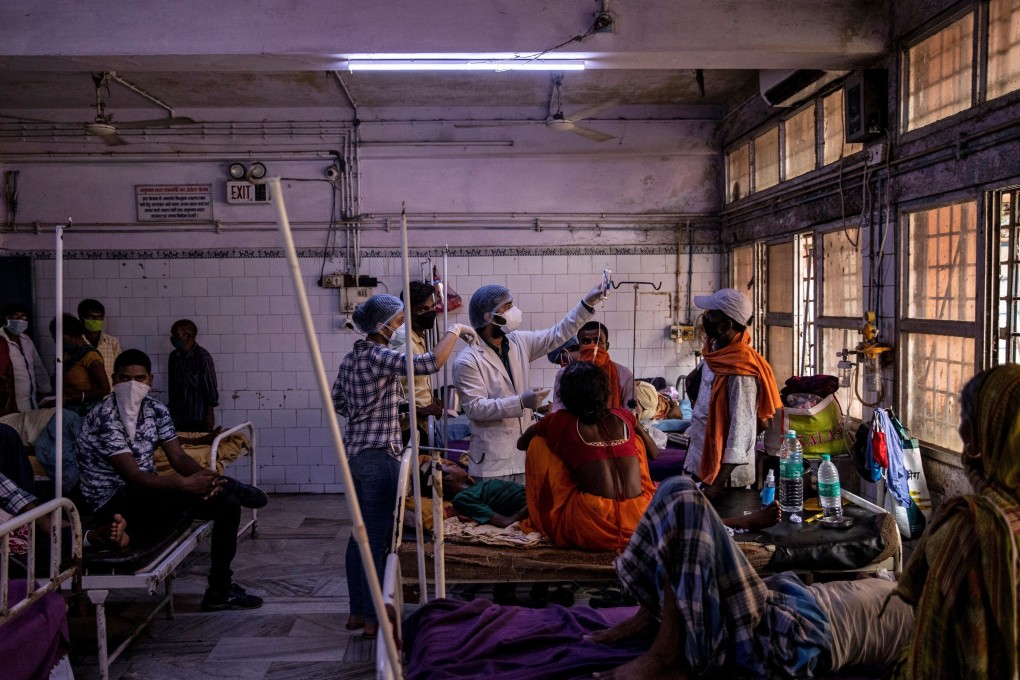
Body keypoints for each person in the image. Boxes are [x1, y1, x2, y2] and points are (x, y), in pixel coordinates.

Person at [588, 475, 915, 679]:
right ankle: (649, 616)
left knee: (686, 497)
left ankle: (665, 656)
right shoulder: (901, 583)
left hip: (781, 639)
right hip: (775, 606)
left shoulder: (932, 619)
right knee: (675, 488)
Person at [75, 349, 268, 611]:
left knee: (228, 505)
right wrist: (184, 485)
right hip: (112, 501)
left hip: (146, 494)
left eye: (140, 378)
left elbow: (177, 458)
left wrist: (202, 477)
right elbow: (133, 477)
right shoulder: (104, 417)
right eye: (125, 378)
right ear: (113, 379)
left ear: (150, 380)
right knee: (221, 497)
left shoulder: (156, 409)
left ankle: (219, 589)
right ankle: (228, 485)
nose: (133, 385)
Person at [332, 294, 477, 639]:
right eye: (397, 322)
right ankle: (373, 618)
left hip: (355, 454)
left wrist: (383, 407)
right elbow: (430, 363)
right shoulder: (380, 355)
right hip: (382, 456)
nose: (400, 327)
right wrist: (455, 329)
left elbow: (340, 401)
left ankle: (357, 612)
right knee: (380, 539)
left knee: (359, 536)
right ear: (380, 326)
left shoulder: (352, 358)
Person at [885, 364, 1020, 678]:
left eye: (967, 420)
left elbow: (930, 657)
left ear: (987, 434)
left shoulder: (972, 532)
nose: (959, 432)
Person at [453, 278, 607, 483]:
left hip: (524, 456)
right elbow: (474, 408)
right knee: (500, 513)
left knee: (525, 513)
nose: (513, 310)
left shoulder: (519, 341)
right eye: (507, 306)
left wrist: (587, 303)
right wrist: (520, 402)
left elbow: (557, 334)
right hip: (492, 463)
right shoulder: (468, 360)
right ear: (489, 316)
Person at [517, 361, 657, 551]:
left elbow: (521, 443)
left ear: (565, 396)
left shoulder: (560, 421)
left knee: (538, 443)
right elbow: (654, 453)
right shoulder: (624, 416)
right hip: (639, 519)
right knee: (637, 441)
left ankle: (550, 508)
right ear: (606, 392)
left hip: (592, 526)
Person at [681, 288, 781, 495]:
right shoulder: (716, 354)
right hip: (699, 463)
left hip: (725, 478)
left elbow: (741, 433)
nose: (705, 318)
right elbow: (696, 386)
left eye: (711, 315)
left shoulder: (740, 371)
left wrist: (716, 485)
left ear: (726, 325)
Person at [390, 280, 445, 446]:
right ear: (406, 311)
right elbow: (390, 389)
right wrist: (419, 410)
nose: (430, 313)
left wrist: (429, 399)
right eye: (423, 309)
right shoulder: (402, 338)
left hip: (420, 425)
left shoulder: (417, 334)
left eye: (432, 307)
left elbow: (413, 380)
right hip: (406, 428)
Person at [550, 322, 634, 413]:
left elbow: (630, 414)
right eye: (586, 342)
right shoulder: (564, 374)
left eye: (598, 341)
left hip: (610, 426)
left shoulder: (623, 374)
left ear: (607, 346)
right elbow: (559, 412)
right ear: (580, 347)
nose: (593, 346)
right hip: (576, 427)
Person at [433, 459, 528, 528]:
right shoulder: (461, 498)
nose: (457, 465)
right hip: (533, 503)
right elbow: (505, 522)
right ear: (447, 477)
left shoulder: (476, 486)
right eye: (451, 466)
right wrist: (532, 504)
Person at [49, 314, 111, 415]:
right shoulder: (63, 355)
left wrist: (71, 397)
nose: (57, 342)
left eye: (62, 339)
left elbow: (105, 389)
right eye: (54, 338)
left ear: (74, 335)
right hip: (65, 410)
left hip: (86, 412)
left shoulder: (91, 356)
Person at [168, 319, 219, 432]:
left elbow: (210, 387)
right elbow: (172, 386)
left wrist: (210, 414)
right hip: (177, 417)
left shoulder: (202, 357)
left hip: (198, 416)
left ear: (187, 336)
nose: (173, 338)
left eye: (176, 335)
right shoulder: (174, 357)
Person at [1, 302, 51, 412]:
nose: (20, 320)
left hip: (30, 401)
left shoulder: (26, 340)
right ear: (6, 318)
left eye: (23, 317)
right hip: (9, 402)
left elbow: (38, 367)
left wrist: (45, 389)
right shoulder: (1, 341)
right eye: (16, 316)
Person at [78, 298, 122, 385]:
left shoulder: (112, 342)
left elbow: (119, 370)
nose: (96, 320)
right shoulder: (75, 343)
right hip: (84, 395)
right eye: (91, 317)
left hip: (108, 395)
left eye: (99, 317)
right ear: (81, 317)